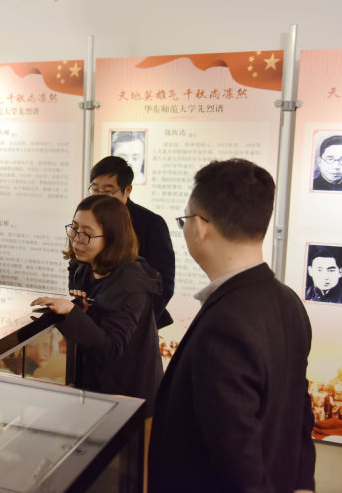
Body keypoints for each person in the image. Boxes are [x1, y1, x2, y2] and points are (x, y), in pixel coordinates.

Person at [148, 159, 315, 493]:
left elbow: (238, 461)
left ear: (200, 227)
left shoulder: (225, 325)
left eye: (185, 220)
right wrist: (303, 483)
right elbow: (299, 412)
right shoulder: (288, 302)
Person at [30, 194, 163, 417]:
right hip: (95, 388)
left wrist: (72, 311)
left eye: (87, 234)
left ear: (112, 237)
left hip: (127, 396)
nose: (76, 240)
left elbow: (111, 348)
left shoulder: (131, 281)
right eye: (74, 229)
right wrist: (82, 312)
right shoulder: (84, 268)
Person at [89, 156, 175, 328]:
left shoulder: (151, 223)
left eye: (107, 191)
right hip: (94, 319)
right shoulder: (88, 219)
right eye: (95, 190)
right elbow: (76, 264)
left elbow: (164, 283)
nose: (99, 198)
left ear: (127, 190)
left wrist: (139, 324)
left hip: (136, 323)